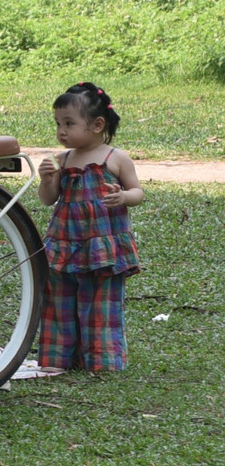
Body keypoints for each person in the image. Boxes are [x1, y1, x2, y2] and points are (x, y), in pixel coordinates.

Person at [37, 82, 143, 371]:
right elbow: (49, 199)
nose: (61, 131)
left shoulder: (115, 158)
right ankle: (57, 359)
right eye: (58, 123)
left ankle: (102, 360)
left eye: (69, 123)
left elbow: (138, 193)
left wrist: (123, 196)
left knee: (101, 304)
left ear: (97, 124)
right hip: (64, 243)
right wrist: (47, 179)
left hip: (103, 245)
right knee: (59, 302)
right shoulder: (62, 160)